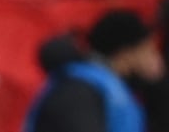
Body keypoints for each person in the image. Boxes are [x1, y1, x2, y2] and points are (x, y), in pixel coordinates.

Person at [24, 10, 165, 132]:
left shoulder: (121, 89)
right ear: (126, 54)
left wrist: (158, 86)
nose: (156, 58)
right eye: (149, 50)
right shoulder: (78, 89)